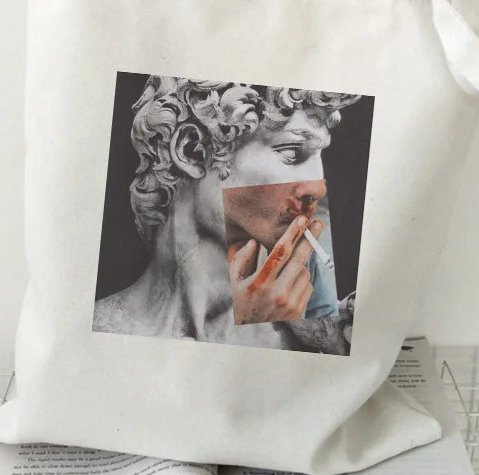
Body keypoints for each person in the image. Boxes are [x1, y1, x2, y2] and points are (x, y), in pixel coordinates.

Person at [92, 77, 359, 354]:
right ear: (191, 150)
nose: (318, 187)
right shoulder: (100, 332)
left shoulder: (311, 332)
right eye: (292, 152)